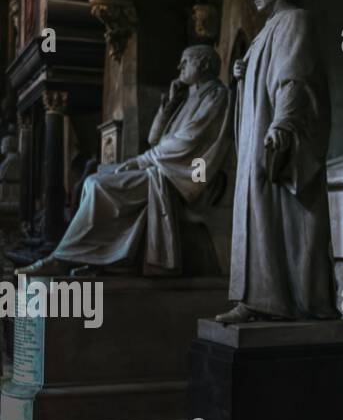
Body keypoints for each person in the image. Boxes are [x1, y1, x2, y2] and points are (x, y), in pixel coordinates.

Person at [18, 45, 231, 276]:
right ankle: (91, 256)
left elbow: (187, 144)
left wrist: (139, 162)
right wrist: (168, 106)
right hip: (164, 168)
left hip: (180, 178)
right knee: (92, 181)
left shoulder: (216, 96)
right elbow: (154, 139)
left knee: (98, 186)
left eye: (186, 61)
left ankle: (63, 258)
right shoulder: (189, 97)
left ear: (204, 64)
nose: (180, 66)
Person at [216, 0, 337, 323]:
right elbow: (268, 77)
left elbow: (294, 77)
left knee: (279, 214)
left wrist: (283, 125)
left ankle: (287, 301)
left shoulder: (295, 21)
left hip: (276, 137)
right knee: (255, 209)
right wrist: (241, 75)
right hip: (257, 137)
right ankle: (258, 299)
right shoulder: (266, 31)